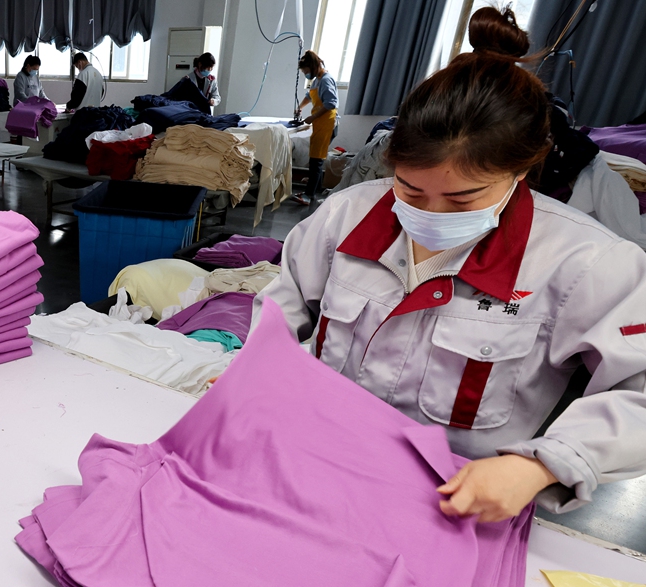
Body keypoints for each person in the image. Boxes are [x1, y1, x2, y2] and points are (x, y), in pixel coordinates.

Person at [257, 40, 646, 523]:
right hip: (308, 465)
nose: (429, 214)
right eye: (410, 189)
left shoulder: (585, 263)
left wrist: (542, 465)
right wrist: (253, 377)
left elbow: (639, 394)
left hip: (453, 504)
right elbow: (283, 308)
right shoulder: (346, 215)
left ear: (523, 169)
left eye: (463, 199)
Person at [293, 50, 337, 206]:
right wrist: (300, 107)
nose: (306, 74)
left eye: (306, 71)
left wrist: (313, 117)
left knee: (316, 161)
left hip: (327, 124)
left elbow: (331, 103)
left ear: (312, 66)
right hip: (320, 124)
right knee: (315, 159)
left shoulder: (326, 80)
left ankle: (308, 195)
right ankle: (312, 191)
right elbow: (309, 95)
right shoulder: (317, 80)